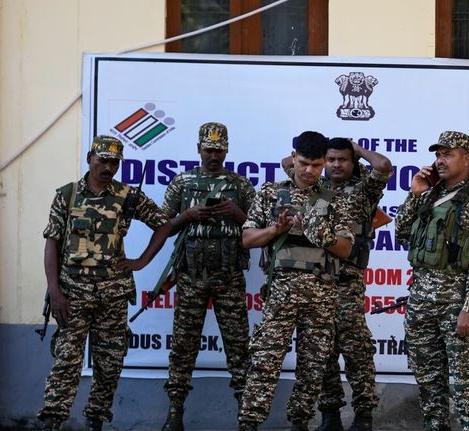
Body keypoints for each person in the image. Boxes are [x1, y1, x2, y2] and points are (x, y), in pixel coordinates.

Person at [38, 135, 178, 431]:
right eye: (102, 160)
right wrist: (54, 290)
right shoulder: (67, 195)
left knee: (110, 364)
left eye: (114, 162)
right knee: (66, 362)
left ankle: (96, 420)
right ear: (90, 157)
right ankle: (52, 420)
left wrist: (141, 262)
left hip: (112, 297)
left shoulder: (127, 197)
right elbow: (52, 243)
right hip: (72, 296)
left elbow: (164, 223)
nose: (108, 167)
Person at [237, 131, 355, 431]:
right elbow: (248, 238)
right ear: (293, 158)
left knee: (313, 367)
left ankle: (299, 423)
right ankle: (249, 423)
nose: (309, 171)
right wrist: (275, 230)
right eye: (304, 163)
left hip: (321, 295)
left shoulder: (335, 199)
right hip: (282, 293)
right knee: (265, 361)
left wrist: (320, 233)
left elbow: (345, 249)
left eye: (317, 165)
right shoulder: (270, 193)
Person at [282, 137, 392, 431]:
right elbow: (286, 164)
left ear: (353, 161)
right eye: (330, 159)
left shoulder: (364, 189)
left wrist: (356, 149)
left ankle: (364, 413)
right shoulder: (315, 185)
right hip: (317, 279)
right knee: (323, 350)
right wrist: (316, 153)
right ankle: (329, 413)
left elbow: (383, 166)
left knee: (355, 347)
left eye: (342, 159)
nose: (335, 165)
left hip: (348, 280)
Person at [395, 131, 469, 431]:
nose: (440, 160)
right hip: (420, 303)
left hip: (455, 304)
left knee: (466, 386)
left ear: (466, 159)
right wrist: (414, 194)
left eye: (448, 154)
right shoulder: (428, 196)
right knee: (428, 381)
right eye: (438, 155)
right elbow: (401, 234)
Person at [159, 122, 256, 431]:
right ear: (198, 149)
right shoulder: (182, 182)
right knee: (184, 346)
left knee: (239, 347)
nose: (214, 155)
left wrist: (235, 213)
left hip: (228, 278)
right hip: (191, 276)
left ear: (226, 150)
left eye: (219, 150)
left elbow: (259, 230)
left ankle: (247, 416)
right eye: (208, 149)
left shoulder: (240, 185)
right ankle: (175, 412)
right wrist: (187, 216)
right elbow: (162, 226)